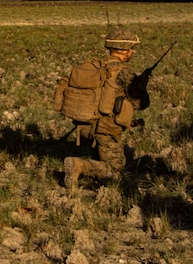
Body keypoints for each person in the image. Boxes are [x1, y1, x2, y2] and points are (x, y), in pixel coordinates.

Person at [62, 28, 151, 188]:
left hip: (84, 126)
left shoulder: (95, 65)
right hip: (106, 129)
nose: (132, 52)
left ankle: (89, 167)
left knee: (101, 157)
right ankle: (79, 166)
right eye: (131, 49)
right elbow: (141, 103)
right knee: (116, 170)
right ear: (125, 51)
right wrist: (142, 85)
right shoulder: (124, 72)